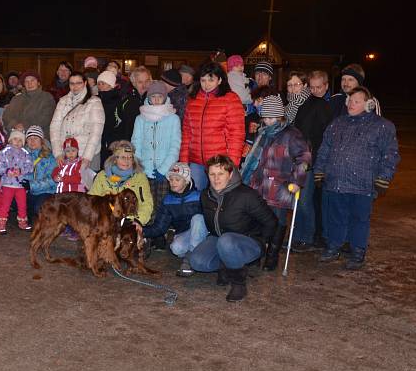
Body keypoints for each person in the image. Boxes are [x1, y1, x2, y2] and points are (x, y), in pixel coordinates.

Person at [314, 86, 399, 270]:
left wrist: (383, 178)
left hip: (363, 184)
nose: (351, 104)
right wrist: (319, 171)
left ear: (368, 105)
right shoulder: (337, 124)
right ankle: (334, 246)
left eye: (357, 101)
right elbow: (324, 150)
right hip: (336, 182)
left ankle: (357, 251)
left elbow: (390, 154)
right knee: (335, 217)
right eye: (350, 101)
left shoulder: (382, 126)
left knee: (359, 219)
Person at [190, 155, 278, 302]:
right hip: (219, 238)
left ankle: (238, 284)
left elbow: (271, 221)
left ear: (230, 174)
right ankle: (226, 265)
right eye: (212, 174)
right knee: (197, 261)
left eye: (221, 174)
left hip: (249, 242)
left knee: (226, 241)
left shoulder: (246, 195)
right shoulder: (206, 195)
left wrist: (264, 241)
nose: (216, 179)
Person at [240, 95, 311, 271]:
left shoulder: (291, 135)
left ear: (280, 116)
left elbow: (304, 158)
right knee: (256, 220)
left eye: (271, 118)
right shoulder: (262, 133)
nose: (268, 121)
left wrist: (297, 181)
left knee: (277, 221)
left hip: (280, 186)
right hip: (258, 184)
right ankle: (256, 253)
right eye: (265, 117)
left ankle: (272, 256)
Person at [179, 62, 245, 190]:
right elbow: (187, 133)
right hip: (196, 162)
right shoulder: (192, 100)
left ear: (220, 80)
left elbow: (236, 134)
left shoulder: (230, 99)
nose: (206, 84)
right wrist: (183, 160)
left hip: (220, 162)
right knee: (196, 197)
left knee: (220, 200)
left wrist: (231, 164)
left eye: (211, 80)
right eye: (203, 80)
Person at [291, 70, 333, 251]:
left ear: (326, 86)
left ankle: (307, 237)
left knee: (305, 201)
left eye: (319, 87)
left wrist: (314, 158)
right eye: (313, 87)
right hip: (301, 157)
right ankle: (299, 235)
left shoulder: (324, 106)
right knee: (298, 200)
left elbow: (325, 137)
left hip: (311, 160)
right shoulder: (306, 104)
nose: (316, 90)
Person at [142, 163, 206, 277]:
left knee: (198, 218)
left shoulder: (200, 196)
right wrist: (141, 231)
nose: (173, 182)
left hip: (202, 232)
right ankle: (196, 251)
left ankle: (190, 259)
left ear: (186, 181)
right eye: (171, 179)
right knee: (176, 249)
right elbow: (160, 227)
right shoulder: (168, 200)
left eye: (177, 179)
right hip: (184, 233)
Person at [132, 80, 181, 215]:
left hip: (165, 170)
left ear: (165, 97)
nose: (156, 99)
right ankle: (146, 230)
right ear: (149, 98)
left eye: (160, 96)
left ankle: (161, 232)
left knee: (162, 203)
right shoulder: (140, 118)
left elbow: (175, 146)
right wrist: (141, 166)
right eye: (153, 96)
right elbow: (136, 143)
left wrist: (164, 168)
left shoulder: (173, 118)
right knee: (145, 202)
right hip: (145, 169)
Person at [89, 140, 153, 226]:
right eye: (123, 157)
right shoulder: (102, 176)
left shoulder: (140, 177)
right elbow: (91, 200)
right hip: (105, 221)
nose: (127, 161)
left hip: (130, 221)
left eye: (130, 158)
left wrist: (137, 221)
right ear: (115, 159)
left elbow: (146, 203)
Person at [49, 70, 105, 169]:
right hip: (66, 154)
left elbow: (96, 132)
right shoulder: (63, 101)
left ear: (85, 83)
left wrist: (87, 157)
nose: (75, 86)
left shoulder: (94, 102)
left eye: (78, 83)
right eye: (72, 83)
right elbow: (54, 127)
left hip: (87, 155)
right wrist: (58, 153)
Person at [0, 129, 34, 233]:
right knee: (5, 205)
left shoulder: (25, 153)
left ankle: (22, 222)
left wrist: (21, 171)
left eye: (20, 140)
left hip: (20, 185)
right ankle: (1, 222)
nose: (17, 142)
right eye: (15, 139)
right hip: (8, 184)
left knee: (22, 205)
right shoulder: (4, 152)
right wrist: (7, 171)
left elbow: (30, 166)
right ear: (10, 140)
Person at [1, 70, 56, 137]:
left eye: (32, 80)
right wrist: (14, 125)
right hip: (16, 136)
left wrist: (24, 126)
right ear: (23, 84)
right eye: (26, 81)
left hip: (38, 137)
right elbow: (6, 116)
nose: (30, 83)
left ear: (38, 82)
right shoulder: (16, 99)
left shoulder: (47, 97)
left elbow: (46, 118)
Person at [24, 125, 56, 221]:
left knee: (39, 208)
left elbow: (52, 180)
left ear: (41, 141)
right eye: (29, 138)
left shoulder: (49, 158)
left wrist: (32, 185)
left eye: (35, 138)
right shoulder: (23, 156)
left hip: (46, 192)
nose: (32, 141)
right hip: (30, 191)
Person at [116, 66, 152, 142]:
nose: (144, 85)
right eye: (140, 82)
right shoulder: (126, 102)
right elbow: (122, 128)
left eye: (147, 81)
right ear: (134, 83)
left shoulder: (156, 100)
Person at [96, 70, 123, 168]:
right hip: (98, 139)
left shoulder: (118, 101)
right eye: (98, 83)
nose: (100, 86)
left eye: (103, 83)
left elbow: (117, 122)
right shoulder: (95, 99)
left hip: (111, 139)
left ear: (111, 85)